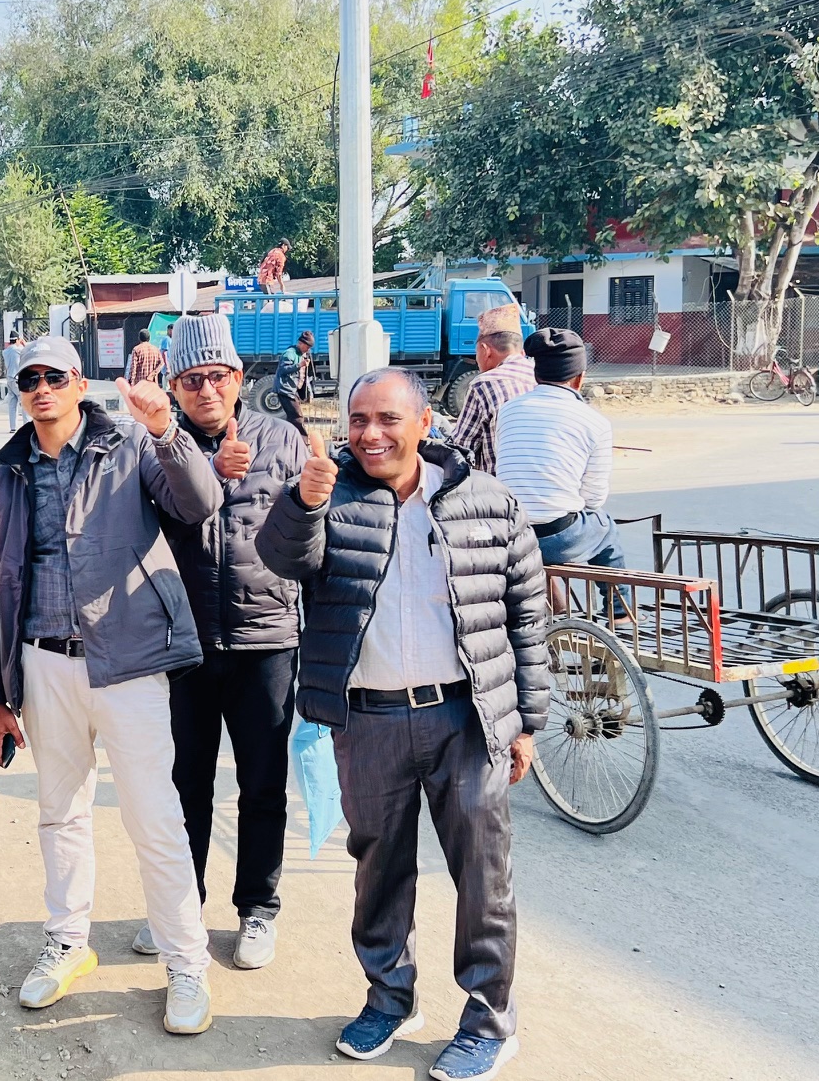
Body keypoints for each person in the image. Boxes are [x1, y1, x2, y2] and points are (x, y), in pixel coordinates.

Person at [256, 367, 549, 1081]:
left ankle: (488, 1022)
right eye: (358, 420)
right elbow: (280, 558)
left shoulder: (487, 501)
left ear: (425, 424)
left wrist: (526, 721)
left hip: (466, 718)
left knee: (483, 878)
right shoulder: (333, 494)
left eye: (387, 419)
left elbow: (527, 614)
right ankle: (390, 998)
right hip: (371, 720)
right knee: (379, 873)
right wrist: (304, 499)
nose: (370, 434)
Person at [0, 336, 223, 1034]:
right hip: (44, 662)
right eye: (30, 379)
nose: (43, 388)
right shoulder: (10, 472)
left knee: (154, 817)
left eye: (55, 375)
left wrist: (164, 427)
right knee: (60, 814)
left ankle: (185, 963)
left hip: (130, 660)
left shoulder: (130, 446)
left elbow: (200, 503)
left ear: (80, 382)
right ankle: (67, 942)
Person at [154, 316, 308, 971]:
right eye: (192, 380)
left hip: (267, 640)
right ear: (174, 387)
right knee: (186, 783)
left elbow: (309, 535)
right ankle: (183, 909)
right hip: (187, 644)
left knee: (263, 782)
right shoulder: (158, 446)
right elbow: (161, 518)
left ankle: (258, 908)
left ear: (239, 377)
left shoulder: (283, 440)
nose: (206, 390)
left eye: (217, 376)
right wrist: (209, 470)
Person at [494, 329, 627, 617]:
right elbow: (593, 498)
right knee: (605, 527)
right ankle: (619, 612)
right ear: (580, 377)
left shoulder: (508, 411)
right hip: (557, 538)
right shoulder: (595, 422)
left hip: (511, 538)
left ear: (536, 375)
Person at [451, 306, 535, 474]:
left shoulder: (485, 383)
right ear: (522, 352)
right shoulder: (542, 377)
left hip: (497, 492)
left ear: (485, 350)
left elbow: (461, 448)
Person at [275, 331, 314, 436]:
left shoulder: (301, 354)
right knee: (297, 417)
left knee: (292, 418)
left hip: (292, 390)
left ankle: (287, 438)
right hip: (286, 390)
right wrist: (299, 365)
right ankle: (303, 442)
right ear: (300, 343)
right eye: (307, 346)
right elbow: (283, 370)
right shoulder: (289, 353)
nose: (308, 349)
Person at [3, 333, 28, 431]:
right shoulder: (19, 350)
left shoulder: (5, 351)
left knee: (12, 404)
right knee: (25, 402)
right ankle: (27, 426)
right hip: (17, 379)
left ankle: (13, 427)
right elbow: (30, 351)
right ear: (17, 340)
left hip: (9, 379)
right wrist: (24, 343)